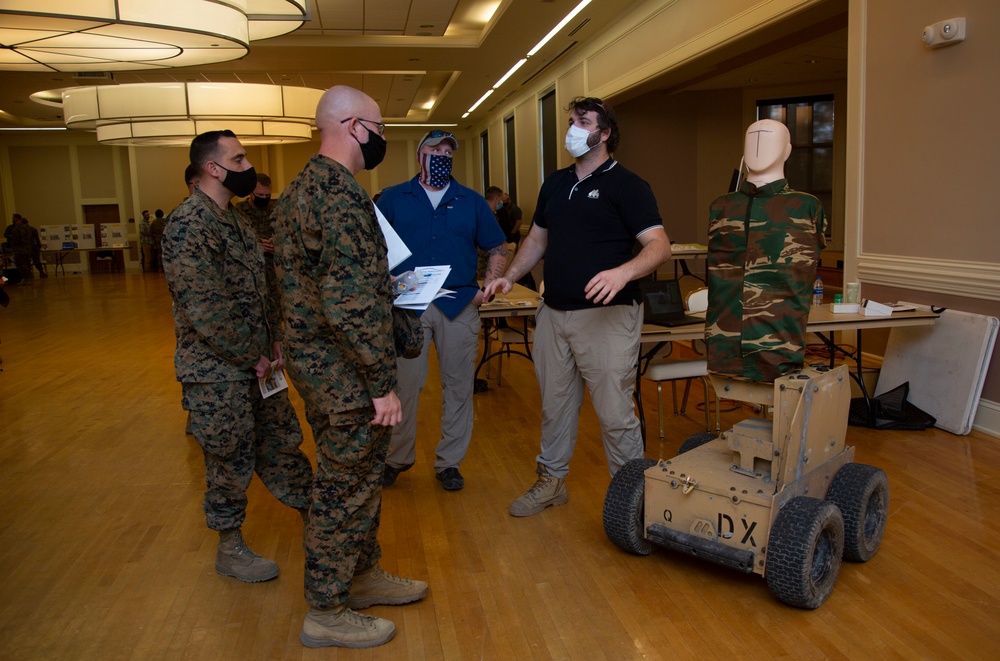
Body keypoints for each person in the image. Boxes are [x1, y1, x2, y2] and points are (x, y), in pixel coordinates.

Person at [272, 85, 428, 649]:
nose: (382, 138)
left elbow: (310, 287)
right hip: (346, 375)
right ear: (355, 126)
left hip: (320, 366)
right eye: (379, 127)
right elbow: (349, 303)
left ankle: (361, 576)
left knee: (357, 480)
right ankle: (327, 610)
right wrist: (382, 385)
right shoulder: (340, 196)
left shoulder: (298, 191)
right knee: (343, 489)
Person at [484, 96, 672, 517]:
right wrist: (509, 276)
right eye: (571, 120)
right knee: (555, 407)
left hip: (607, 317)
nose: (572, 128)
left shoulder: (628, 185)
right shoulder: (555, 183)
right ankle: (552, 482)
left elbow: (660, 247)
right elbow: (537, 239)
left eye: (583, 121)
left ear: (605, 133)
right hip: (554, 314)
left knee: (615, 414)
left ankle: (634, 501)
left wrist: (622, 273)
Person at [160, 129, 314, 585]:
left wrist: (275, 338)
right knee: (229, 459)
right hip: (217, 374)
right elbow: (205, 308)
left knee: (282, 443)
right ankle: (229, 547)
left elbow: (263, 289)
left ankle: (319, 524)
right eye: (239, 160)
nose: (248, 168)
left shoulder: (238, 222)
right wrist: (252, 355)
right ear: (212, 168)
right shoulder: (188, 225)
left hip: (259, 366)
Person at [377, 131, 507, 491]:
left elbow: (498, 247)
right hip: (408, 308)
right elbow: (371, 248)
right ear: (421, 154)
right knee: (405, 386)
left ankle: (449, 463)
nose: (442, 156)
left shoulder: (471, 201)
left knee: (458, 387)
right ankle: (397, 458)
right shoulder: (393, 198)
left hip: (458, 305)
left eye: (449, 151)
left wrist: (488, 286)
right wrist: (385, 279)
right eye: (435, 150)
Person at [704, 118, 825, 382]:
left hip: (780, 344)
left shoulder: (807, 207)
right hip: (725, 343)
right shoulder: (721, 207)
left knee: (780, 396)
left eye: (768, 140)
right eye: (753, 140)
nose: (759, 147)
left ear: (787, 151)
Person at [234, 172, 279, 306]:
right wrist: (256, 246)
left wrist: (276, 244)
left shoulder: (275, 212)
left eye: (267, 195)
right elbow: (233, 242)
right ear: (251, 193)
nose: (264, 198)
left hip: (273, 276)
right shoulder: (238, 213)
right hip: (249, 277)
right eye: (260, 195)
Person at [7, 215, 34, 284]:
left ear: (16, 219)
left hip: (19, 250)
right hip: (28, 249)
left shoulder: (16, 229)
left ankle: (25, 279)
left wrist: (11, 243)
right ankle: (29, 278)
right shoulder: (28, 228)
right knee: (28, 265)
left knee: (21, 265)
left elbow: (15, 240)